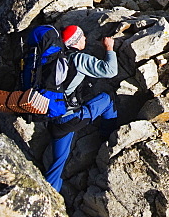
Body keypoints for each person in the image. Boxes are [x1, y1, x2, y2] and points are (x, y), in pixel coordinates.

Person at [44, 25, 119, 192]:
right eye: (83, 36)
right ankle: (108, 140)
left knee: (58, 163)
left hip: (52, 118)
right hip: (71, 118)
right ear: (76, 40)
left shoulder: (55, 58)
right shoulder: (79, 59)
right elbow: (110, 71)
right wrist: (109, 48)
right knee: (108, 99)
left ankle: (48, 195)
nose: (85, 38)